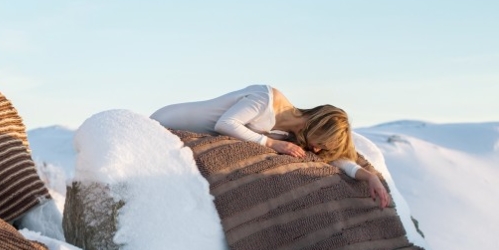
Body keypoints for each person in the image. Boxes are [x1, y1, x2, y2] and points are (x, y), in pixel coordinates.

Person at [150, 84, 390, 208]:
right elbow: (225, 124)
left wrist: (369, 176)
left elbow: (336, 159)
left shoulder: (291, 134)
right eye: (320, 144)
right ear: (316, 127)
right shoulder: (266, 99)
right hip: (166, 121)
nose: (316, 151)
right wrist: (272, 143)